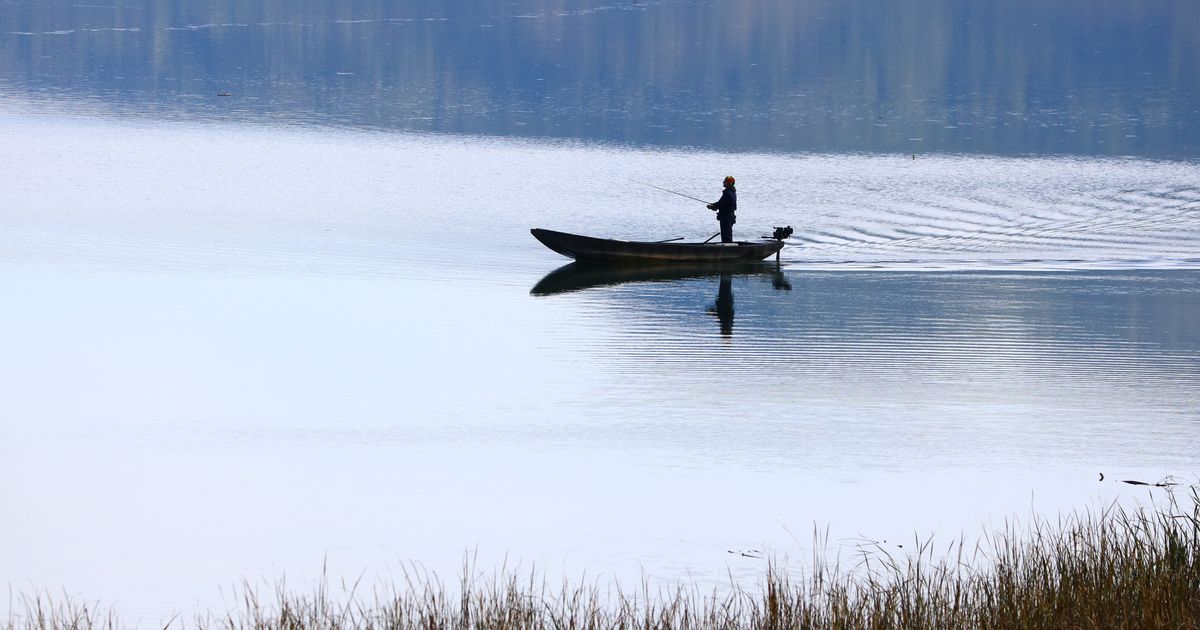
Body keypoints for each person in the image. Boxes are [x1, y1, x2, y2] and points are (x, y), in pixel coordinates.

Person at [706, 176, 737, 243]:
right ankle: (728, 248)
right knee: (727, 235)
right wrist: (714, 205)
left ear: (729, 183)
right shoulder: (732, 192)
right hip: (729, 217)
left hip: (726, 218)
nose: (723, 182)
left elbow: (722, 204)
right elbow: (722, 203)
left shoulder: (728, 193)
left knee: (726, 236)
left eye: (725, 181)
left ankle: (728, 250)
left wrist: (713, 206)